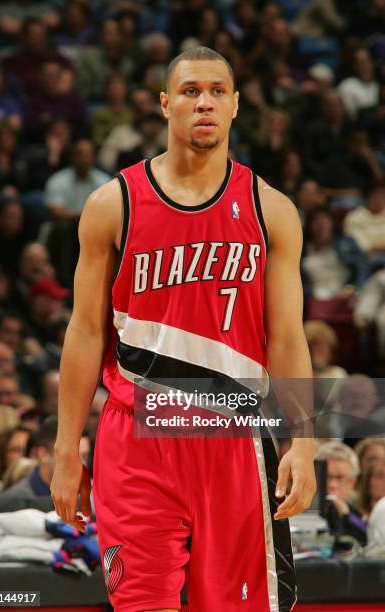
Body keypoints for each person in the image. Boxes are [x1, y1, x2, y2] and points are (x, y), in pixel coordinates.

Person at [51, 47, 316, 612]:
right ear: (165, 103)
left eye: (218, 91)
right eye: (192, 90)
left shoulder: (272, 210)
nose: (205, 102)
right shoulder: (111, 205)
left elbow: (288, 339)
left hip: (235, 444)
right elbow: (84, 334)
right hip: (136, 441)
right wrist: (66, 448)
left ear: (237, 105)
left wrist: (305, 441)